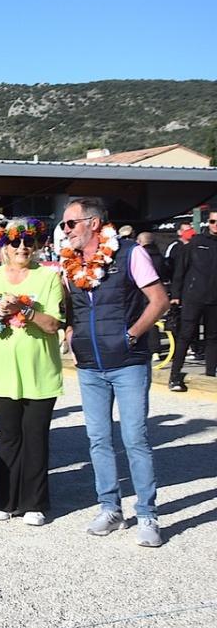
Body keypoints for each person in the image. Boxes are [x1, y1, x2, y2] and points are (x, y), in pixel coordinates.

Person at [60, 198, 168, 547]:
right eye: (64, 225)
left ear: (93, 223)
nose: (66, 231)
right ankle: (110, 507)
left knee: (135, 439)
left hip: (129, 362)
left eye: (70, 224)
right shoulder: (70, 263)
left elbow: (159, 300)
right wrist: (71, 334)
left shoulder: (129, 253)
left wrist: (133, 334)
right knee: (98, 440)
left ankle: (148, 514)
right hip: (90, 365)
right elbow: (72, 310)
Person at [0, 218, 63, 527]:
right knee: (9, 439)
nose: (22, 247)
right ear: (4, 246)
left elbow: (53, 324)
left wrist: (24, 310)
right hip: (4, 373)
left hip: (41, 372)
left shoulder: (48, 278)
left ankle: (34, 503)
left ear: (37, 245)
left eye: (29, 241)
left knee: (35, 439)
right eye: (15, 242)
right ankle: (5, 501)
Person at [169, 211, 217, 390]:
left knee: (213, 338)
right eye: (213, 221)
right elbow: (180, 271)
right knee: (186, 336)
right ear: (208, 223)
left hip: (214, 299)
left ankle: (211, 377)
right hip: (193, 297)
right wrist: (175, 295)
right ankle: (174, 376)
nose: (215, 225)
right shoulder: (195, 243)